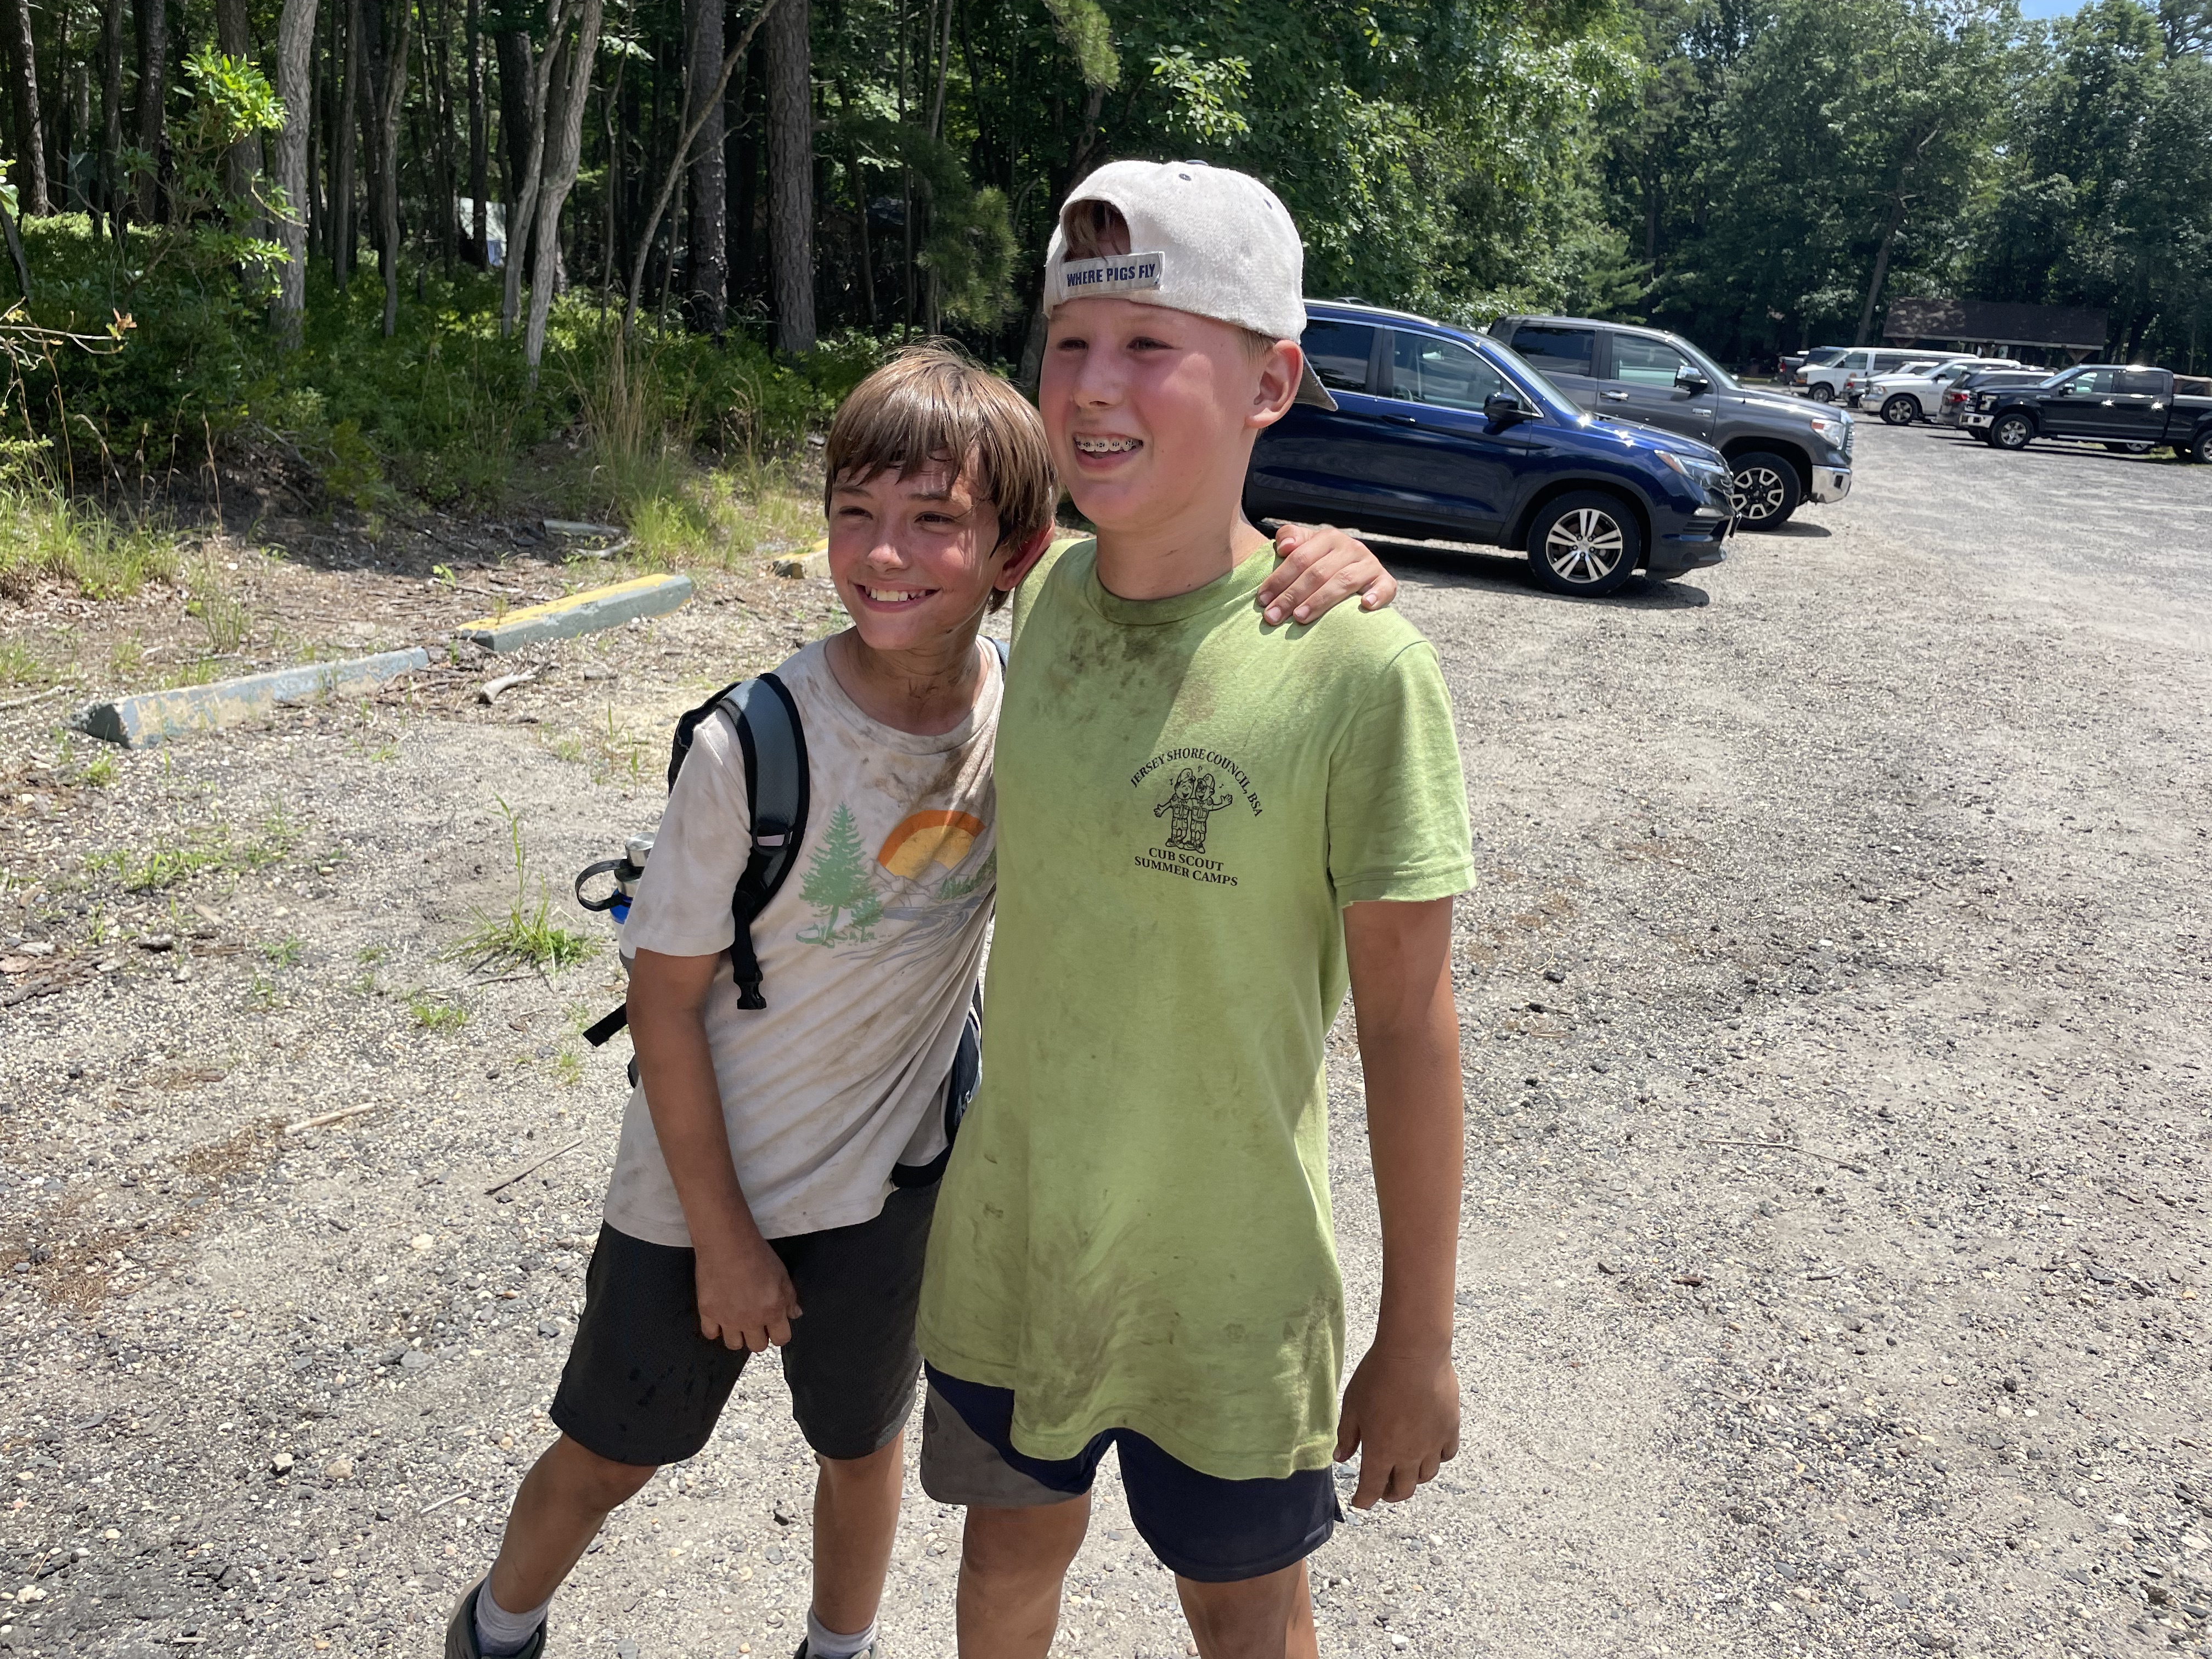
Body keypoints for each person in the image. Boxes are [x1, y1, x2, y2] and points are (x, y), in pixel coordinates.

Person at [444, 343, 1400, 1659]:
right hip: (699, 1188)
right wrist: (723, 1238)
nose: (886, 556)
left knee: (863, 1444)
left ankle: (840, 1648)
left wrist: (1325, 552)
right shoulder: (750, 746)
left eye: (937, 523)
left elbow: (1189, 578)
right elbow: (662, 1007)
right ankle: (500, 1623)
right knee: (613, 1451)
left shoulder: (1031, 704)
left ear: (1015, 553)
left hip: (894, 1196)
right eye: (857, 515)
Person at [913, 161, 1475, 1659]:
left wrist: (1418, 1336)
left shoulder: (1357, 667)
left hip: (1228, 1283)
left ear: (1272, 380)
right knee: (1005, 1571)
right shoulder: (1046, 592)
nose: (1092, 389)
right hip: (1019, 1239)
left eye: (1151, 346)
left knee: (1243, 1614)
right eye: (1069, 347)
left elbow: (1413, 1026)